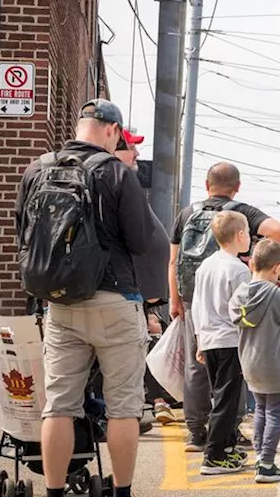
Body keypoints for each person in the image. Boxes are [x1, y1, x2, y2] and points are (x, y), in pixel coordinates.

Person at [16, 99, 152, 497]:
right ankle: (122, 491)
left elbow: (22, 234)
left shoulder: (37, 169)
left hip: (60, 304)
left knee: (59, 404)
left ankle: (54, 492)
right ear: (112, 130)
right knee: (124, 406)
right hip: (114, 299)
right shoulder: (116, 173)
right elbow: (141, 242)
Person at [169, 163, 280, 452]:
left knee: (197, 364)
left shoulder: (187, 213)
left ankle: (196, 432)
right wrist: (254, 254)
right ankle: (228, 431)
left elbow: (172, 260)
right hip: (232, 291)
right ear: (237, 186)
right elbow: (278, 230)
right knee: (234, 363)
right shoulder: (240, 212)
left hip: (194, 294)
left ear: (207, 184)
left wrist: (174, 299)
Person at [114, 128, 174, 431]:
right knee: (123, 359)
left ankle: (129, 413)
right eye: (131, 149)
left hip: (134, 294)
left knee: (133, 354)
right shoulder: (116, 184)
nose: (137, 154)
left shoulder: (125, 184)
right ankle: (125, 415)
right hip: (122, 293)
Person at [230, 240, 280, 483]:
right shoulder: (277, 295)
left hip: (249, 362)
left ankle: (261, 457)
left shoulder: (239, 294)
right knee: (275, 413)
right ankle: (267, 464)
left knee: (260, 409)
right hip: (275, 364)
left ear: (251, 263)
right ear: (277, 268)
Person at [191, 211, 254, 474]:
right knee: (227, 400)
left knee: (220, 395)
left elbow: (196, 305)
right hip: (230, 339)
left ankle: (226, 448)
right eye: (249, 232)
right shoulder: (238, 269)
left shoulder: (205, 265)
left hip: (209, 338)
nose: (250, 237)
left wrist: (199, 340)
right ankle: (214, 455)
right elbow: (243, 310)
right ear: (240, 236)